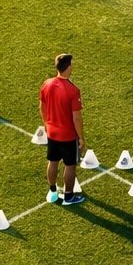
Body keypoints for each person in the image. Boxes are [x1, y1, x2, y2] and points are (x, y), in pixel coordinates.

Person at [39, 54, 85, 206]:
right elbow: (76, 118)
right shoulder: (73, 90)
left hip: (52, 132)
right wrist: (81, 137)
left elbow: (42, 107)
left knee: (53, 161)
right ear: (69, 67)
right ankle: (69, 196)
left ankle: (52, 190)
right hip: (67, 135)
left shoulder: (47, 84)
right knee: (70, 165)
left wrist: (47, 124)